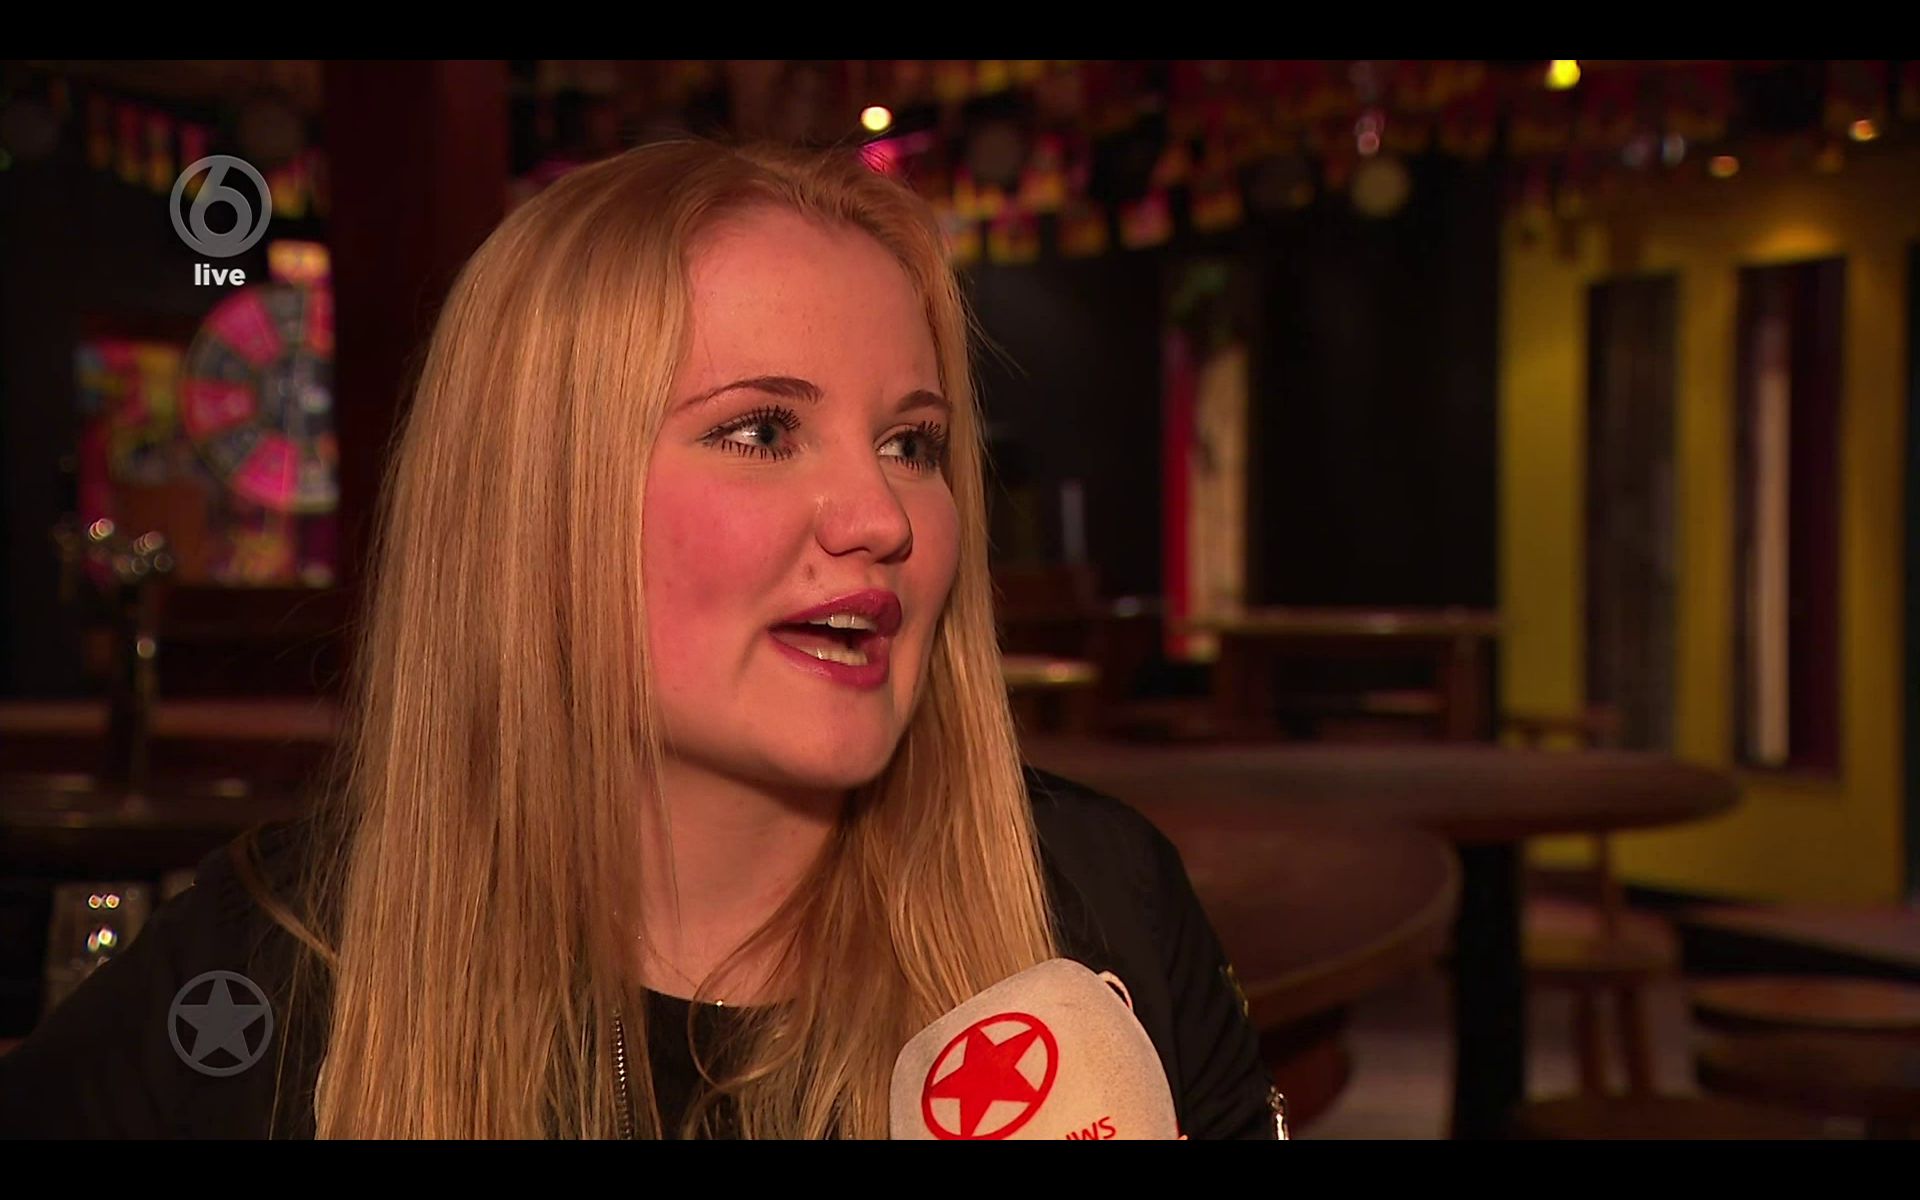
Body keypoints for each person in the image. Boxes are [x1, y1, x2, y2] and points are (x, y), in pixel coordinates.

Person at [0, 139, 1277, 1140]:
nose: (883, 516)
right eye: (763, 430)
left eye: (912, 442)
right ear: (536, 503)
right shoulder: (271, 973)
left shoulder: (1097, 905)